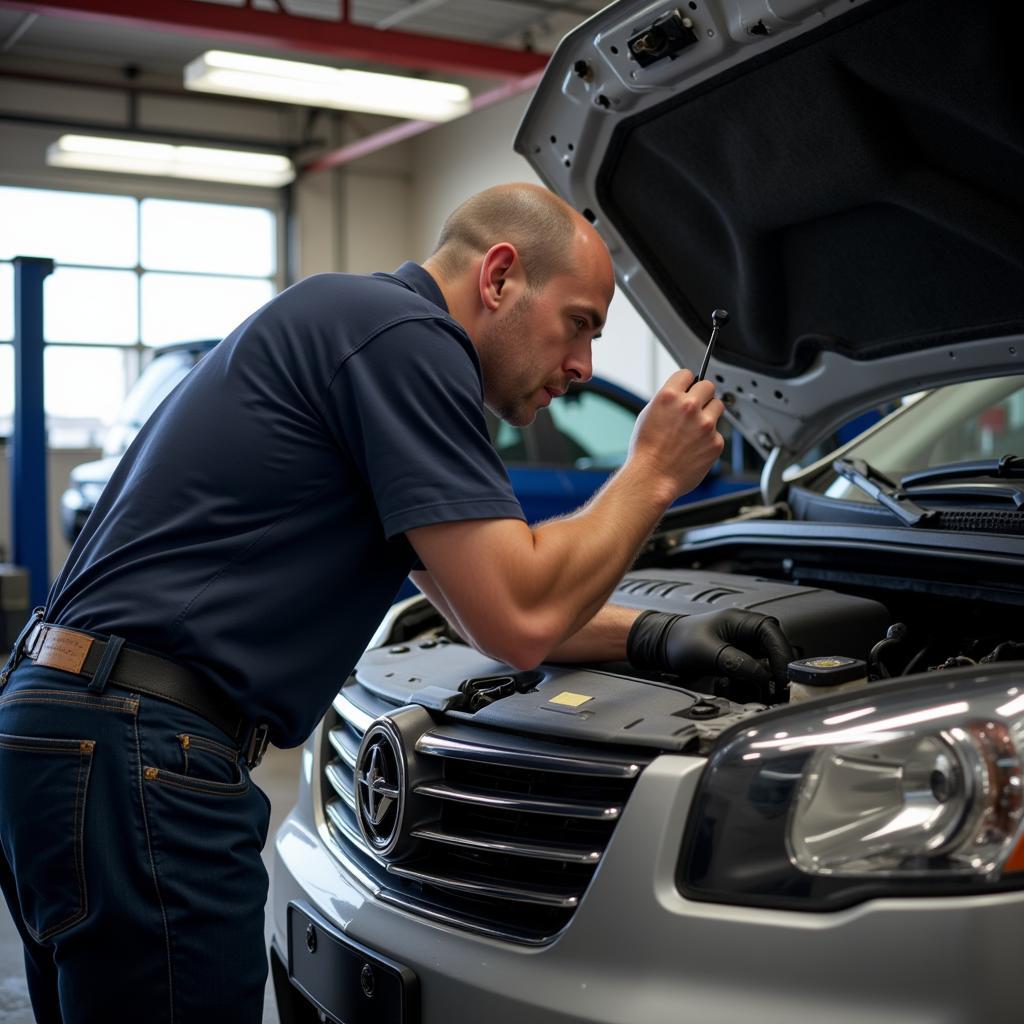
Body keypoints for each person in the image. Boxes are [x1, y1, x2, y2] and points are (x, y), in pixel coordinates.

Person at [0, 182, 791, 1023]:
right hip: (141, 754)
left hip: (68, 733)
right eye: (582, 323)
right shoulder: (407, 340)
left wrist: (658, 636)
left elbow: (472, 602)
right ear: (499, 278)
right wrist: (653, 473)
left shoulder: (356, 326)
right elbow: (519, 618)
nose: (583, 367)